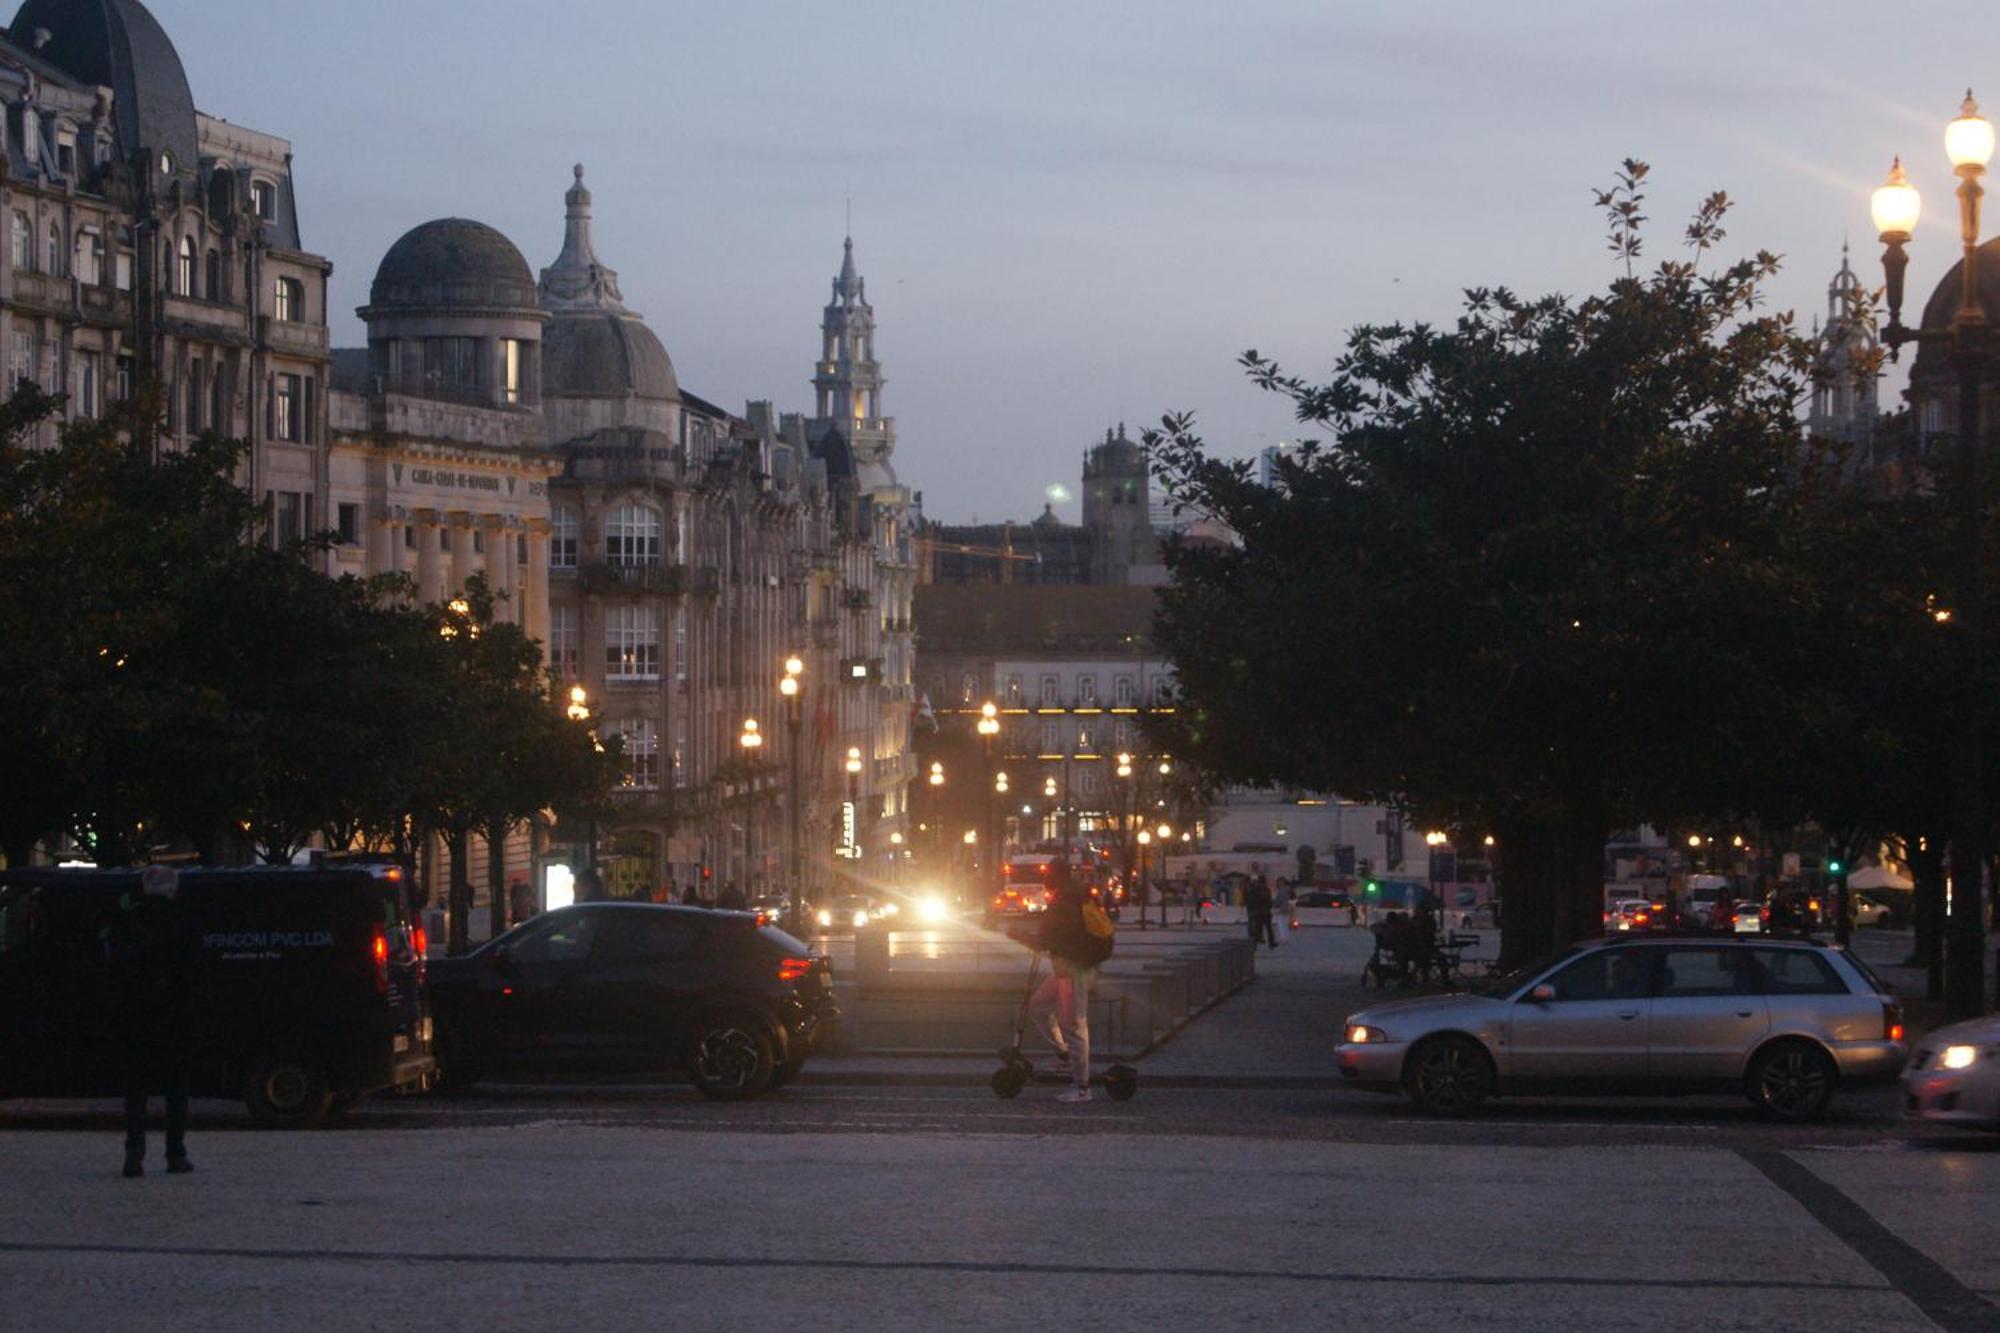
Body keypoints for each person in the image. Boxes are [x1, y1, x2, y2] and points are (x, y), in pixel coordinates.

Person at [105, 865, 201, 1178]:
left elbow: (115, 967)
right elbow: (195, 972)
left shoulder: (129, 920)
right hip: (174, 1017)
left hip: (136, 1016)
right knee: (176, 1091)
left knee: (136, 1090)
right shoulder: (184, 921)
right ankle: (175, 1153)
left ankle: (134, 1151)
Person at [1027, 865, 1100, 1103]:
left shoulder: (1066, 902)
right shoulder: (1066, 898)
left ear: (1056, 879)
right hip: (1064, 969)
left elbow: (1058, 934)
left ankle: (1082, 1087)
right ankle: (1064, 1051)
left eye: (1047, 877)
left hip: (1075, 970)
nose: (1044, 881)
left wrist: (1029, 939)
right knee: (1038, 1005)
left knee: (1074, 1026)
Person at [1245, 872, 1277, 949]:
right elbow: (1269, 901)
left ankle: (1255, 944)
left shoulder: (1255, 889)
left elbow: (1250, 900)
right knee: (1268, 929)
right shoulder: (1266, 889)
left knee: (1258, 929)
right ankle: (1271, 943)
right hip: (1265, 912)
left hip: (1259, 912)